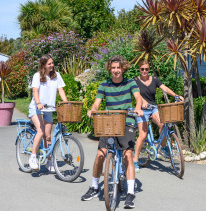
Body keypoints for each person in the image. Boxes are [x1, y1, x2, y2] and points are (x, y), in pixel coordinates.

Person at [81, 55, 143, 209]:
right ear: (110, 69)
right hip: (109, 122)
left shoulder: (130, 82)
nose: (116, 70)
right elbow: (96, 103)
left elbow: (138, 97)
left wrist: (138, 107)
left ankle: (130, 193)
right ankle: (94, 187)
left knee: (128, 154)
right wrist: (93, 110)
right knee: (101, 154)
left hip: (127, 120)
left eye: (118, 68)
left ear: (123, 68)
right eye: (113, 68)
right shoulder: (104, 85)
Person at [133, 60, 184, 173]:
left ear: (149, 69)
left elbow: (164, 88)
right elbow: (137, 95)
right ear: (139, 70)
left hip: (153, 108)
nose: (144, 71)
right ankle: (135, 160)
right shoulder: (135, 81)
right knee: (142, 135)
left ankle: (164, 147)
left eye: (146, 69)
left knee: (163, 124)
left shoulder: (154, 79)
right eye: (142, 69)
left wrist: (176, 95)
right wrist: (143, 102)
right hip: (142, 110)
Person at [28, 54, 67, 172]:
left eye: (52, 63)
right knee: (40, 132)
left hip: (49, 109)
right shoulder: (37, 76)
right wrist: (39, 103)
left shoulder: (57, 76)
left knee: (48, 136)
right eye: (49, 63)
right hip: (36, 109)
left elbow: (61, 90)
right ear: (43, 65)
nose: (52, 65)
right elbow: (35, 90)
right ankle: (33, 157)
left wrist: (66, 103)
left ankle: (49, 161)